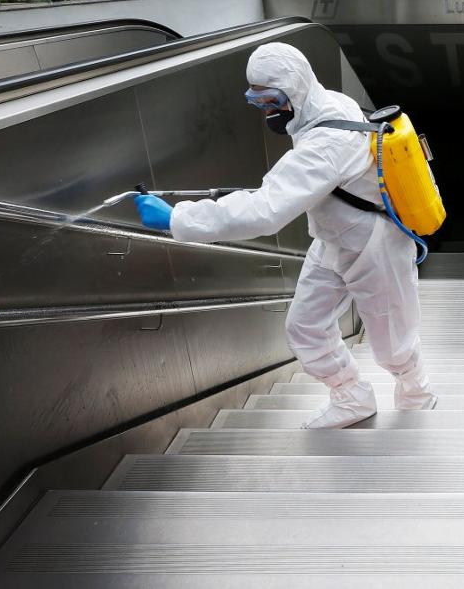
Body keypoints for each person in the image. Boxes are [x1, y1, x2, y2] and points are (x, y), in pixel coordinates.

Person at [133, 43, 436, 428]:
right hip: (333, 241)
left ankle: (417, 397)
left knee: (393, 343)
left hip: (374, 245)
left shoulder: (326, 141)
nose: (266, 110)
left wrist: (179, 217)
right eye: (256, 100)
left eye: (271, 99)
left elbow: (267, 210)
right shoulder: (320, 109)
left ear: (295, 87)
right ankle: (351, 398)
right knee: (305, 328)